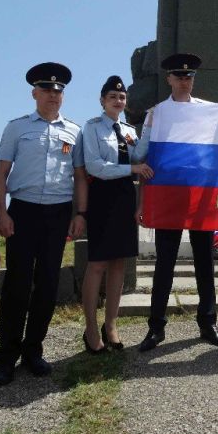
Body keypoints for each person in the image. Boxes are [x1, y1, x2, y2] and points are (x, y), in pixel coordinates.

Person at [134, 53, 218, 352]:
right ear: (169, 79)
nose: (184, 80)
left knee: (205, 262)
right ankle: (156, 328)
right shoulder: (157, 113)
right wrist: (142, 202)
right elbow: (142, 156)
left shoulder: (211, 111)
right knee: (164, 264)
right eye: (178, 76)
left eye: (189, 76)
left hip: (201, 197)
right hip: (168, 196)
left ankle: (208, 323)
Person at [0, 63, 87, 385]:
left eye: (58, 90)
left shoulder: (74, 131)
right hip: (23, 211)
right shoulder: (17, 128)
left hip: (57, 213)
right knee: (18, 284)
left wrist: (78, 214)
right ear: (35, 93)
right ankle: (6, 356)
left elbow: (78, 177)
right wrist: (1, 213)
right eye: (47, 89)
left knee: (47, 284)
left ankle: (34, 350)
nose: (53, 95)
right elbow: (1, 174)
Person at [80, 76, 153, 352]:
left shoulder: (128, 129)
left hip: (123, 197)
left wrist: (148, 126)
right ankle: (89, 327)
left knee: (119, 264)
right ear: (102, 100)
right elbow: (95, 166)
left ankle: (110, 324)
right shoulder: (92, 128)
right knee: (97, 263)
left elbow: (139, 155)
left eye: (121, 97)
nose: (118, 101)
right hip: (102, 197)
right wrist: (132, 170)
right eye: (112, 96)